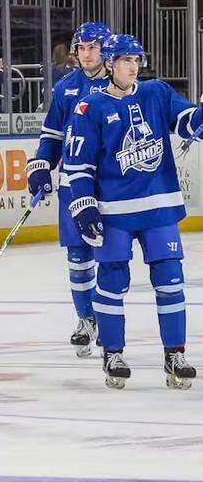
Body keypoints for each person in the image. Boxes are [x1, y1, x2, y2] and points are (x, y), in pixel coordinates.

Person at [62, 33, 201, 390]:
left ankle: (175, 354)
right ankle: (113, 353)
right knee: (112, 281)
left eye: (136, 60)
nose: (133, 66)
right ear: (110, 64)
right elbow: (78, 166)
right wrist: (83, 205)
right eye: (126, 60)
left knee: (170, 279)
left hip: (159, 208)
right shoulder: (89, 108)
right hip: (114, 213)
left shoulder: (157, 93)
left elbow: (188, 123)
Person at [26, 22, 112, 358]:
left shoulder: (118, 84)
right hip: (74, 186)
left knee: (109, 257)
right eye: (82, 47)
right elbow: (52, 138)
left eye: (94, 47)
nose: (87, 54)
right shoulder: (66, 88)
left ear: (105, 51)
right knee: (78, 256)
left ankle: (108, 319)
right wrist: (40, 166)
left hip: (110, 188)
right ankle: (86, 318)